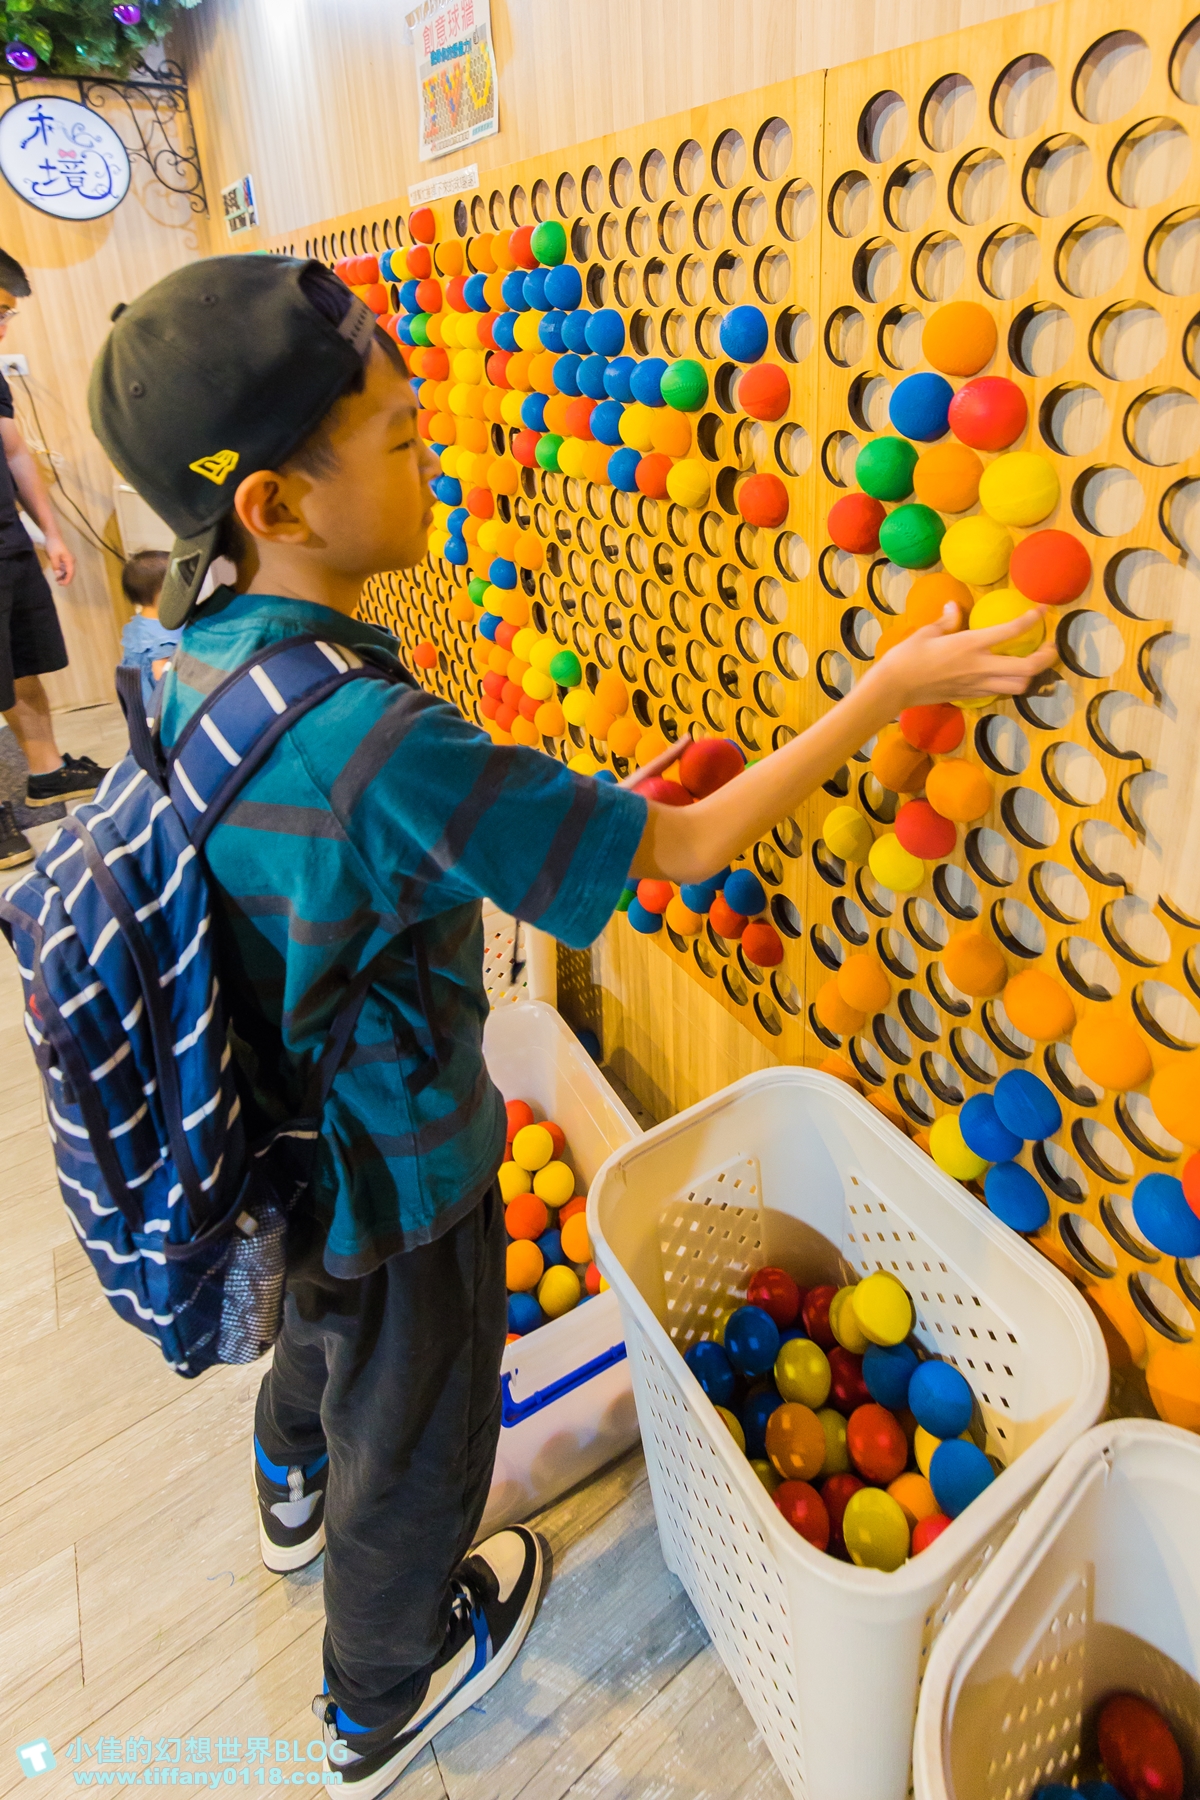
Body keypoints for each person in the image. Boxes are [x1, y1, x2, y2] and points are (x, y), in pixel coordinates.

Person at [88, 256, 1055, 1798]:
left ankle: (287, 1482)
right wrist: (890, 688)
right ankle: (375, 1697)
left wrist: (572, 805)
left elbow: (368, 837)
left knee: (322, 1340)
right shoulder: (373, 735)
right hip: (402, 1168)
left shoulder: (190, 646)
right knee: (418, 1431)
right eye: (404, 438)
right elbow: (673, 854)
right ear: (276, 501)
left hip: (277, 1137)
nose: (436, 451)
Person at [0, 249, 107, 871]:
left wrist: (52, 531)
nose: (5, 326)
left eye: (10, 314)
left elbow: (14, 451)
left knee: (23, 664)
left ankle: (46, 773)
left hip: (7, 542)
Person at [118, 547, 179, 712]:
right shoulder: (164, 631)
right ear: (162, 594)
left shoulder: (139, 622)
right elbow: (162, 675)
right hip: (155, 702)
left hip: (136, 696)